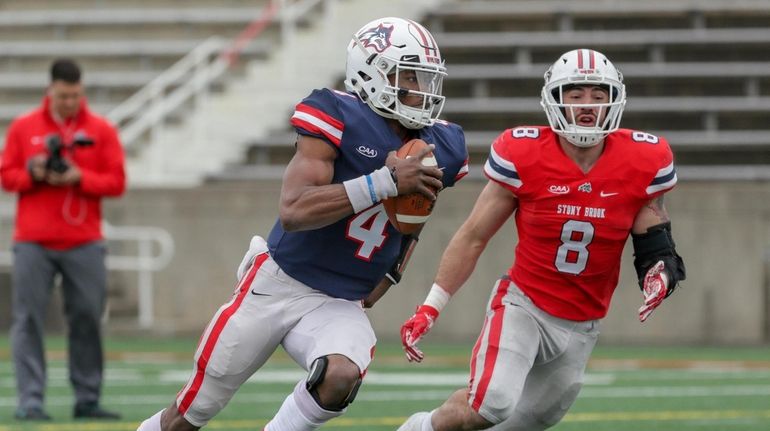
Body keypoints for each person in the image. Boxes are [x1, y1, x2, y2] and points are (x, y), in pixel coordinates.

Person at [137, 17, 468, 431]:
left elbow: (415, 216)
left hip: (339, 300)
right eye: (410, 78)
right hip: (279, 283)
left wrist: (393, 270)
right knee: (187, 417)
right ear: (371, 73)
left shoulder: (443, 145)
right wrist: (383, 181)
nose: (421, 91)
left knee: (342, 375)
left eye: (425, 80)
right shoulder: (337, 114)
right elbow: (294, 211)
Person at [397, 48, 686, 431]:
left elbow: (654, 234)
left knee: (523, 422)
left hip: (585, 322)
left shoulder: (643, 158)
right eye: (576, 94)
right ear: (555, 100)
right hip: (524, 307)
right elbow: (473, 236)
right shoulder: (525, 152)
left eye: (599, 96)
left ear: (614, 100)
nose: (588, 106)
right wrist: (430, 307)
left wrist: (660, 274)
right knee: (490, 405)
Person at [0, 58, 126, 421]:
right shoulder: (24, 127)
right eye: (63, 95)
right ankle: (31, 399)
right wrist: (32, 171)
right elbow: (7, 176)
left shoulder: (100, 129)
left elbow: (116, 182)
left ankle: (87, 398)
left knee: (87, 316)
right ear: (50, 90)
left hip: (84, 240)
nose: (70, 102)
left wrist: (79, 178)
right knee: (28, 320)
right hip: (32, 242)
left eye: (75, 95)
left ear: (81, 90)